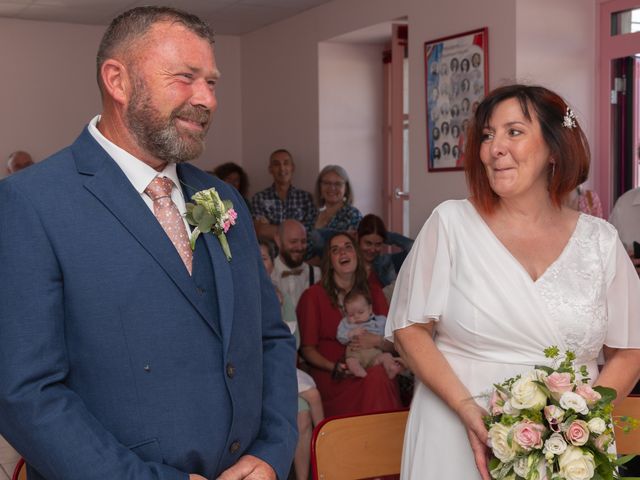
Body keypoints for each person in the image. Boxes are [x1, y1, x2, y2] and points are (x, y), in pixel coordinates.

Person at [0, 7, 297, 480]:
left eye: (212, 83)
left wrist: (271, 452)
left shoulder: (221, 197)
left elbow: (269, 338)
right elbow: (25, 393)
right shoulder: (30, 203)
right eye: (186, 77)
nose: (207, 99)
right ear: (118, 81)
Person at [386, 84, 640, 479]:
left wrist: (577, 423)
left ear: (555, 148)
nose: (494, 148)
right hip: (456, 432)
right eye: (487, 135)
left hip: (567, 449)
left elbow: (629, 350)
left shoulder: (600, 241)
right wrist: (468, 409)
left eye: (514, 132)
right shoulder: (451, 224)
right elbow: (409, 329)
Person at [297, 232, 402, 417]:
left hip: (373, 365)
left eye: (348, 247)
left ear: (356, 255)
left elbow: (394, 342)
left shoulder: (374, 293)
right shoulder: (312, 297)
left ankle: (381, 439)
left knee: (379, 375)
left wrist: (376, 341)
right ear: (330, 261)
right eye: (335, 250)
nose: (343, 253)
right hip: (334, 376)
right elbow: (307, 350)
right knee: (377, 379)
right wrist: (334, 367)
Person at [257, 239, 324, 480]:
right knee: (310, 397)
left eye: (264, 258)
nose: (259, 262)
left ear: (271, 264)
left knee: (303, 413)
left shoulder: (279, 295)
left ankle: (305, 476)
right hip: (253, 372)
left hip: (278, 366)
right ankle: (326, 444)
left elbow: (291, 343)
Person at [336, 289, 403, 379]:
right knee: (350, 361)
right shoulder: (346, 323)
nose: (357, 316)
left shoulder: (380, 321)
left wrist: (378, 339)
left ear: (370, 309)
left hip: (374, 354)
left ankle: (391, 368)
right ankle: (361, 374)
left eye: (360, 312)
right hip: (355, 355)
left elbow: (390, 336)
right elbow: (340, 336)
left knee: (387, 356)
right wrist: (351, 333)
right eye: (351, 315)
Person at [251, 149, 316, 241]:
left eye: (286, 163)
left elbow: (309, 231)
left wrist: (271, 228)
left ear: (292, 167)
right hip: (270, 253)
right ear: (270, 169)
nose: (282, 168)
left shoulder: (306, 198)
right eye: (276, 164)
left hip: (299, 252)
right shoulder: (259, 198)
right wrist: (295, 232)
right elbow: (260, 230)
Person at [308, 165, 363, 258]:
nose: (332, 188)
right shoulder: (313, 215)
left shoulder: (353, 215)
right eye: (326, 183)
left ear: (346, 189)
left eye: (338, 184)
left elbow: (353, 253)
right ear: (320, 187)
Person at [271, 219, 320, 308]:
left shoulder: (316, 274)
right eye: (293, 242)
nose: (300, 247)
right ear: (278, 241)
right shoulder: (268, 274)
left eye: (303, 241)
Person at [357, 214, 413, 289]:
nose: (372, 249)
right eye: (368, 243)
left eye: (378, 244)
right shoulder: (350, 264)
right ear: (358, 239)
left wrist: (385, 235)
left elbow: (413, 248)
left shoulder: (385, 262)